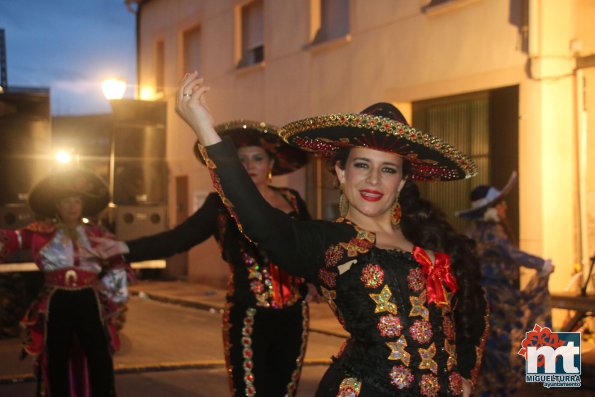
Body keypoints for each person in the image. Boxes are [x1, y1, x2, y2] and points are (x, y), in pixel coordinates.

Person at [175, 71, 489, 396]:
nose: (374, 180)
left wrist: (464, 374)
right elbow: (262, 224)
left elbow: (473, 309)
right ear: (341, 171)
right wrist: (205, 130)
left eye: (388, 169)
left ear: (403, 182)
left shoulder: (433, 239)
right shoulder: (328, 242)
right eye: (362, 165)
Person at [93, 120, 313, 397]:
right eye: (241, 160)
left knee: (285, 391)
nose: (250, 165)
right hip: (248, 314)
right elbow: (178, 238)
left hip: (294, 315)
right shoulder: (220, 203)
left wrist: (317, 280)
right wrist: (124, 247)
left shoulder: (292, 199)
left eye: (258, 158)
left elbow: (309, 247)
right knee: (249, 392)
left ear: (272, 162)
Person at [0, 168, 131, 397]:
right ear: (57, 206)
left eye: (77, 201)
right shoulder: (39, 233)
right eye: (66, 201)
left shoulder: (97, 233)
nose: (72, 206)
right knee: (56, 356)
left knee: (99, 355)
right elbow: (9, 239)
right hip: (56, 301)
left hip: (89, 300)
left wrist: (113, 296)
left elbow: (119, 263)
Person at [455, 172, 553, 397]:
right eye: (500, 204)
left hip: (483, 297)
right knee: (500, 347)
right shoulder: (491, 232)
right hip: (496, 299)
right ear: (491, 209)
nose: (505, 207)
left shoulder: (474, 231)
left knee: (489, 346)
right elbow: (510, 253)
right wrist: (542, 264)